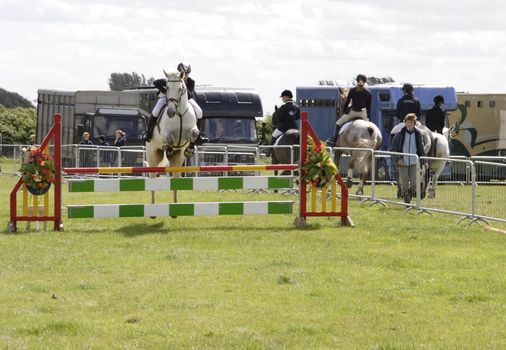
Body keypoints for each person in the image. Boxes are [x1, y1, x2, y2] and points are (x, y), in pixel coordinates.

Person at [143, 62, 209, 147]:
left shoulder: (191, 82)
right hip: (166, 97)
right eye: (183, 73)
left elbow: (189, 95)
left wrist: (183, 85)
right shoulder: (171, 78)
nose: (185, 76)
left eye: (187, 74)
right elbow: (156, 82)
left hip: (185, 100)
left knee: (199, 112)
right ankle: (149, 133)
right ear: (179, 72)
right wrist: (166, 91)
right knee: (156, 111)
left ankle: (199, 135)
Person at [390, 113, 426, 204]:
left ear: (414, 123)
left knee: (414, 183)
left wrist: (424, 161)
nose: (409, 124)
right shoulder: (399, 134)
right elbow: (393, 148)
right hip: (403, 162)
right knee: (404, 183)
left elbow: (421, 149)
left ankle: (409, 194)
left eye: (411, 122)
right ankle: (406, 200)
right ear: (405, 122)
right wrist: (398, 159)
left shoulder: (418, 134)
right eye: (408, 122)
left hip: (414, 162)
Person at [328, 74, 372, 147]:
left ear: (357, 81)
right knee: (368, 128)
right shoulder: (368, 92)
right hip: (363, 113)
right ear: (365, 81)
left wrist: (345, 111)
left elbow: (347, 102)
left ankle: (333, 140)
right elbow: (368, 107)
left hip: (353, 112)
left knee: (338, 123)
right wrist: (368, 118)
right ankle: (371, 142)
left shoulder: (352, 90)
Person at [266, 89, 300, 157]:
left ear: (287, 97)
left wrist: (280, 122)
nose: (282, 98)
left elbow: (279, 118)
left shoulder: (283, 107)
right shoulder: (296, 107)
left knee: (273, 135)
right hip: (294, 127)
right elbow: (298, 117)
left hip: (284, 127)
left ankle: (269, 151)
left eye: (283, 97)